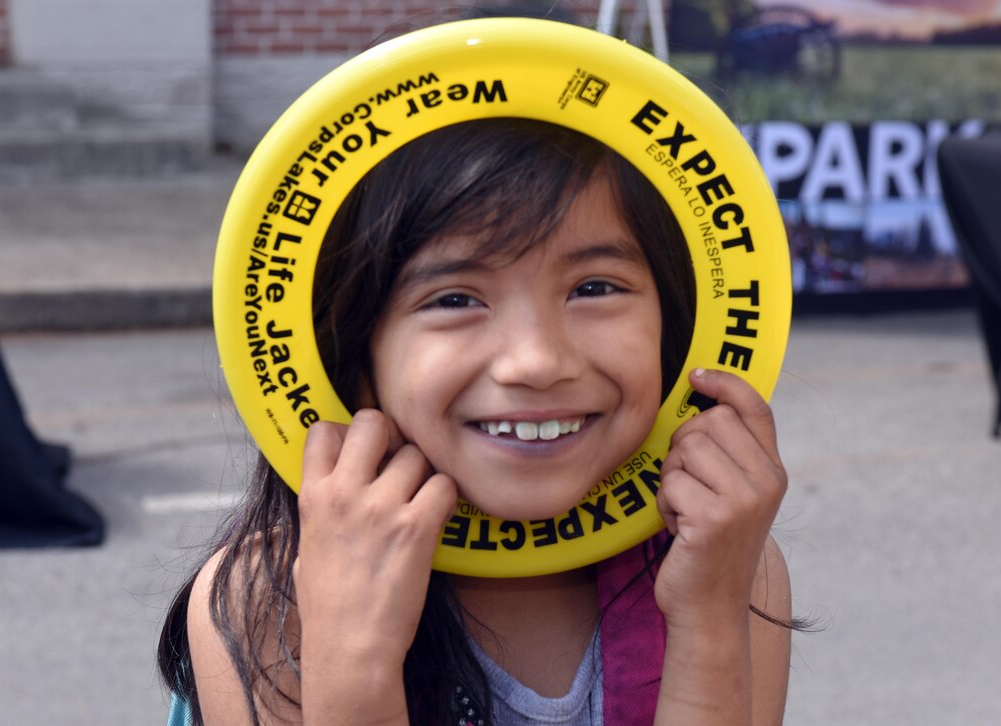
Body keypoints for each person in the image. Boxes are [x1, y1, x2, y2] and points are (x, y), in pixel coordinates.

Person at [159, 118, 793, 725]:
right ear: (353, 356)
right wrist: (352, 655)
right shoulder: (271, 595)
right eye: (455, 299)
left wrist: (708, 617)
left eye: (594, 288)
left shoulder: (725, 556)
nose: (537, 362)